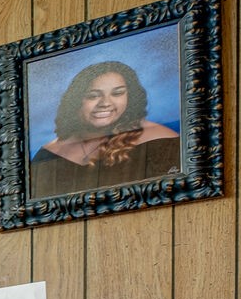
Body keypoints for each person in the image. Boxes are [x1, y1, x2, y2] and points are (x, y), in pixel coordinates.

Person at [29, 59, 180, 198]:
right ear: (75, 102)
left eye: (117, 93)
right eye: (93, 96)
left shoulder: (160, 139)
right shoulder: (47, 156)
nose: (105, 103)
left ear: (131, 97)